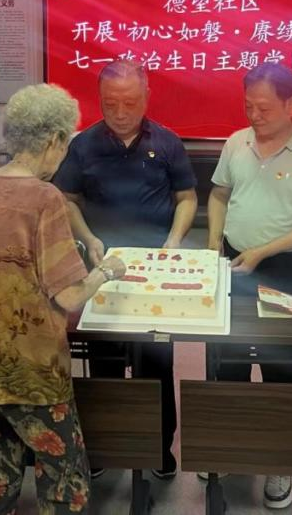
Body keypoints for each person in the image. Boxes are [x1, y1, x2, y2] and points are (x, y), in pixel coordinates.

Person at [0, 83, 127, 515]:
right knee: (63, 475)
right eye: (65, 145)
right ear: (54, 139)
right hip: (31, 368)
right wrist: (107, 272)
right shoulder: (44, 198)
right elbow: (70, 295)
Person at [52, 59, 198, 479]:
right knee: (105, 360)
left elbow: (187, 197)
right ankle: (103, 445)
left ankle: (159, 447)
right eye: (109, 103)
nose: (119, 112)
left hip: (155, 269)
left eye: (130, 103)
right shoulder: (83, 145)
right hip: (101, 268)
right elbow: (67, 199)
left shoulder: (167, 142)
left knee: (156, 360)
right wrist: (88, 238)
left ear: (147, 97)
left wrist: (174, 240)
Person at [207, 63, 292, 510]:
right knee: (228, 357)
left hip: (279, 268)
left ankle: (280, 460)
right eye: (248, 106)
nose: (254, 116)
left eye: (263, 108)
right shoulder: (236, 142)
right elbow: (219, 194)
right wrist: (213, 244)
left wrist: (263, 252)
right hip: (231, 260)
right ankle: (230, 448)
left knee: (279, 360)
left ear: (291, 103)